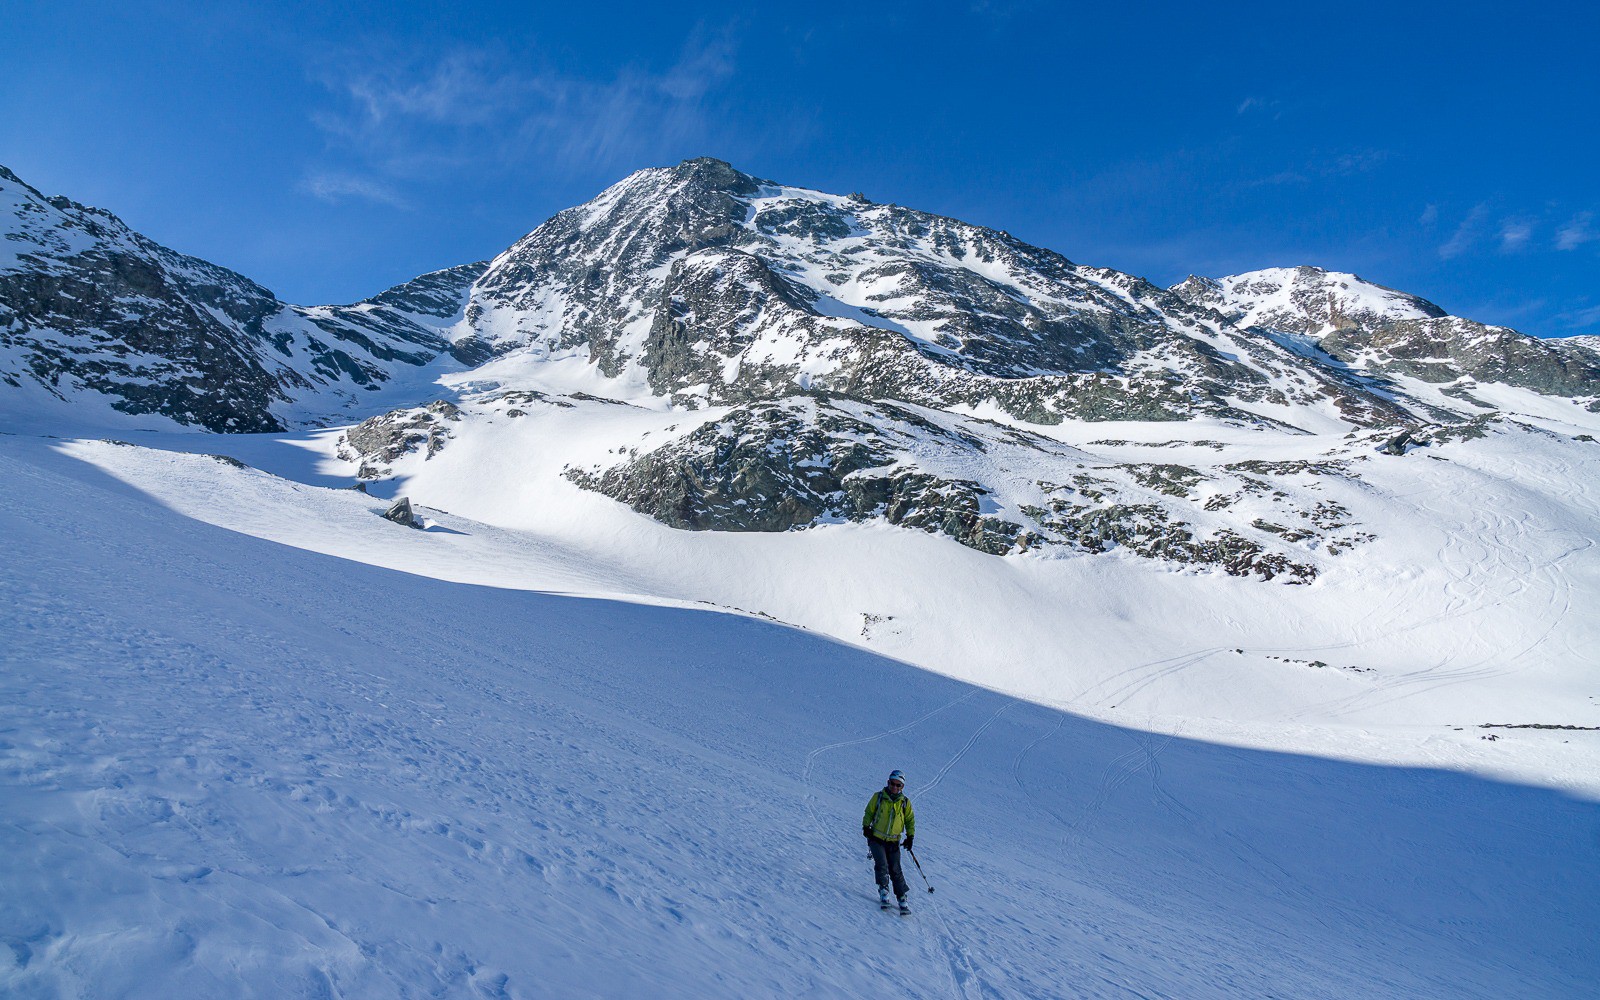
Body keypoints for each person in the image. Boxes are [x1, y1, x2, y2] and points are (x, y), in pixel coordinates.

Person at [863, 769, 916, 912]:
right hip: (876, 838)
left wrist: (910, 837)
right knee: (882, 865)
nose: (895, 787)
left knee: (895, 869)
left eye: (898, 785)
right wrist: (866, 827)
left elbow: (909, 820)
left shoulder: (904, 803)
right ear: (888, 782)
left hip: (893, 841)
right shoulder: (878, 797)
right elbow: (869, 812)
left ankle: (901, 896)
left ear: (902, 787)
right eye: (893, 783)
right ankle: (883, 890)